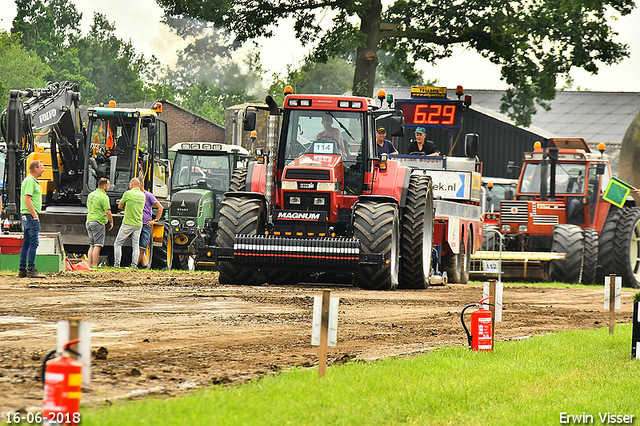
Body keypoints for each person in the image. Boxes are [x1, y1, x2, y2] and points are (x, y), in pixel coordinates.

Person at [18, 160, 46, 278]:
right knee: (33, 243)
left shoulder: (30, 180)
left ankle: (22, 269)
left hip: (26, 216)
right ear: (36, 169)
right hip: (30, 217)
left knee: (27, 243)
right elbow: (27, 199)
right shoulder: (30, 181)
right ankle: (31, 269)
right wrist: (34, 215)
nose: (43, 169)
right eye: (42, 167)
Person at [114, 178, 145, 268]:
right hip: (138, 223)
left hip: (128, 222)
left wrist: (125, 208)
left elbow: (120, 206)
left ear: (131, 184)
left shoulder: (128, 193)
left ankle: (116, 264)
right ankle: (134, 265)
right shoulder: (143, 195)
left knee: (118, 243)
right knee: (135, 245)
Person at [85, 178, 114, 266]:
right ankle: (94, 265)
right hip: (98, 222)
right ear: (104, 186)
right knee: (97, 245)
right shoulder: (104, 196)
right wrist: (111, 221)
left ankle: (89, 265)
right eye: (108, 186)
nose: (109, 187)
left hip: (89, 221)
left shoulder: (91, 195)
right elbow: (107, 211)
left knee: (92, 245)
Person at [137, 179, 163, 268]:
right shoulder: (135, 195)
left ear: (140, 184)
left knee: (143, 245)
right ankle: (145, 265)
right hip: (137, 223)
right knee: (139, 245)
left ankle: (135, 264)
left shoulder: (148, 195)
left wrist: (155, 220)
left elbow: (160, 207)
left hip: (146, 224)